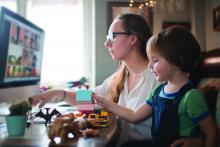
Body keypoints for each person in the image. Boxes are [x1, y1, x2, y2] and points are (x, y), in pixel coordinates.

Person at [31, 13, 158, 146]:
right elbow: (90, 97)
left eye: (112, 37)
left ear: (132, 39)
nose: (106, 43)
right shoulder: (119, 77)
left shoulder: (157, 78)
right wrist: (58, 94)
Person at [93, 26, 217, 147]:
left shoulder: (191, 96)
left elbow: (211, 133)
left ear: (175, 62)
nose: (149, 66)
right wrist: (105, 103)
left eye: (155, 60)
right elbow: (134, 115)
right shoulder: (158, 91)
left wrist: (198, 141)